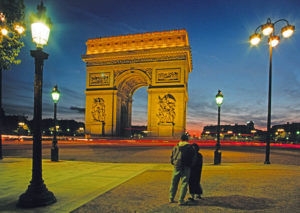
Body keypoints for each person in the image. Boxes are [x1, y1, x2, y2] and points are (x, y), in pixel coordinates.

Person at [169, 133, 195, 205]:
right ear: (187, 140)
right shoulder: (190, 147)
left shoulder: (176, 146)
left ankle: (171, 198)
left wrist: (174, 163)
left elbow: (172, 156)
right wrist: (190, 165)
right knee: (184, 183)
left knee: (174, 182)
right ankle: (181, 200)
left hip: (177, 166)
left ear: (181, 139)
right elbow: (193, 158)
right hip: (186, 167)